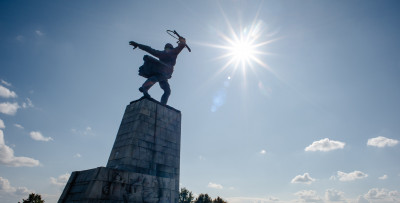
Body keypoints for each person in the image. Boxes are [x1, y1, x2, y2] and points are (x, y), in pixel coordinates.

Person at [129, 37, 186, 105]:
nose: (167, 50)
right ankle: (144, 87)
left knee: (167, 91)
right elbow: (181, 46)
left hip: (164, 74)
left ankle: (162, 104)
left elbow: (150, 49)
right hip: (164, 73)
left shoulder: (162, 53)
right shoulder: (173, 52)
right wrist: (182, 41)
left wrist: (138, 45)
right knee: (158, 80)